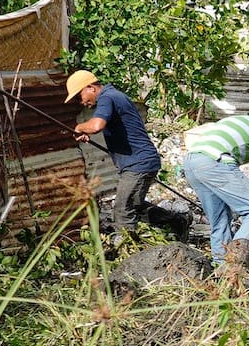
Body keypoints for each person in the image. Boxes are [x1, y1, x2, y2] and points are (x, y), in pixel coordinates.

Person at [67, 69, 177, 238]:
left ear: (90, 87)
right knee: (134, 205)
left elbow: (97, 125)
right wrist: (87, 133)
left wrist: (79, 127)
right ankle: (176, 222)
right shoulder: (113, 96)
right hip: (140, 161)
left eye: (79, 96)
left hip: (138, 163)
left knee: (122, 207)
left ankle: (127, 252)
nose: (81, 102)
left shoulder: (107, 97)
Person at [181, 112, 249, 269]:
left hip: (191, 161)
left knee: (220, 221)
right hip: (215, 161)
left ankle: (220, 271)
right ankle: (233, 266)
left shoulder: (243, 120)